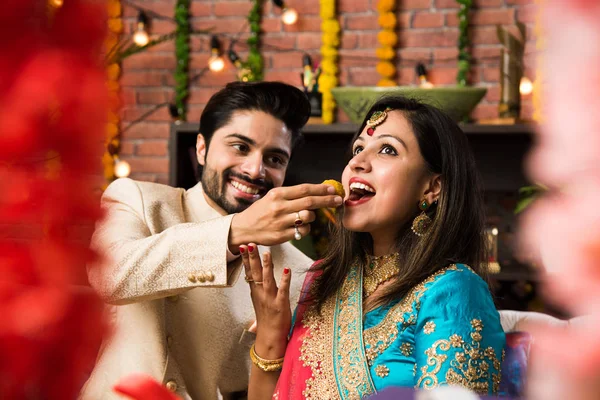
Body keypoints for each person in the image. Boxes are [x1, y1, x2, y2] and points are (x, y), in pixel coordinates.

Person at [81, 81, 344, 400]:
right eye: (240, 147)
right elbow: (110, 277)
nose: (255, 169)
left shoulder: (298, 272)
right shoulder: (138, 200)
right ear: (202, 148)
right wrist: (236, 230)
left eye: (274, 159)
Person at [243, 96, 507, 399]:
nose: (357, 162)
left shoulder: (453, 291)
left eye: (387, 149)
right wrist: (270, 335)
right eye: (358, 149)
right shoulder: (322, 281)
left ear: (432, 188)